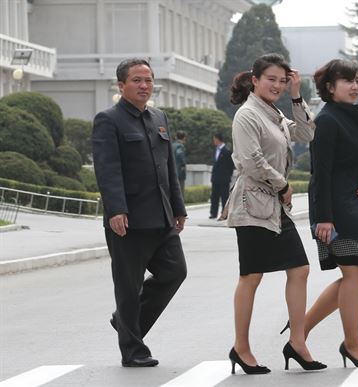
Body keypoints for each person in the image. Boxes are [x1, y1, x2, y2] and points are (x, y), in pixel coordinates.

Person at [225, 53, 325, 374]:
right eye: (271, 79)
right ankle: (241, 348)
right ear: (255, 80)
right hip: (253, 206)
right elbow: (251, 161)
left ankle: (297, 342)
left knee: (299, 269)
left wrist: (297, 94)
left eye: (283, 81)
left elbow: (308, 134)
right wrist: (283, 184)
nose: (277, 85)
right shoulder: (247, 115)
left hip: (276, 207)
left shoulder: (275, 113)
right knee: (251, 277)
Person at [92, 58, 187, 367]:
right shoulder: (109, 120)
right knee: (128, 286)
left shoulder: (159, 117)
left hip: (161, 216)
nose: (144, 85)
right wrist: (116, 210)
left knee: (175, 272)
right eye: (137, 80)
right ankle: (133, 351)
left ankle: (126, 322)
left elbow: (168, 167)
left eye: (148, 80)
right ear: (121, 86)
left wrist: (178, 207)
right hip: (128, 219)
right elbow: (107, 170)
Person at [304, 58, 358, 368]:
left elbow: (349, 161)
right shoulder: (327, 120)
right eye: (348, 80)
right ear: (329, 87)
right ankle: (352, 344)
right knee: (354, 273)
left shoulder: (354, 115)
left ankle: (299, 334)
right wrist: (324, 217)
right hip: (333, 209)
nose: (355, 86)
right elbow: (320, 172)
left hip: (350, 202)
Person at [209, 133, 234, 220]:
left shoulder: (227, 151)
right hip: (215, 178)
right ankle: (213, 213)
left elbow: (231, 166)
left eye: (214, 139)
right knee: (214, 196)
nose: (213, 141)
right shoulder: (215, 150)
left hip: (224, 178)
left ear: (217, 139)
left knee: (224, 197)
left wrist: (228, 176)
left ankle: (224, 213)